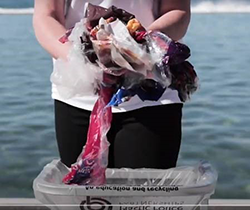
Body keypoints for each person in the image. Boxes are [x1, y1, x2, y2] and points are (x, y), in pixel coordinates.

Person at [33, 0, 191, 169]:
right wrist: (80, 57)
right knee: (84, 193)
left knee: (144, 192)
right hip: (77, 97)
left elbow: (177, 10)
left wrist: (139, 46)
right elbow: (46, 15)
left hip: (152, 95)